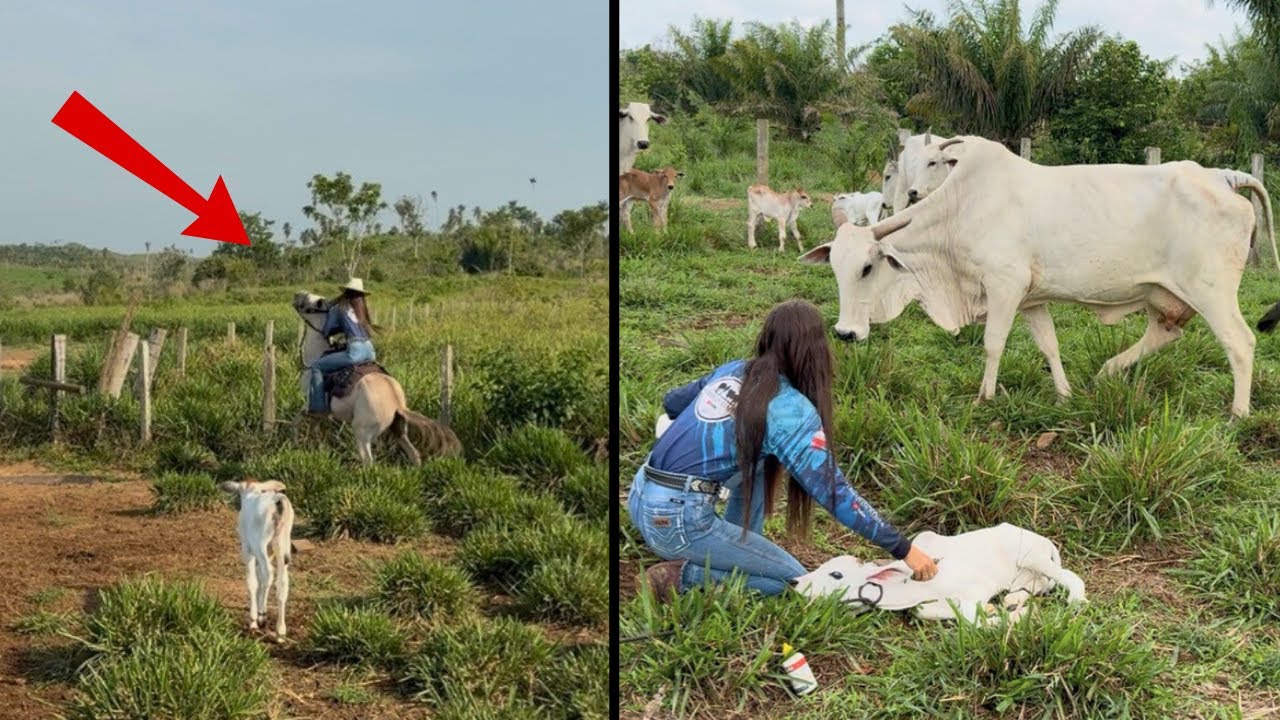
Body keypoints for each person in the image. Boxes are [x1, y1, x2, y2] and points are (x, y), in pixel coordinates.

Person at [629, 299, 937, 602]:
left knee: (760, 462)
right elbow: (835, 494)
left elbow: (672, 403)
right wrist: (904, 549)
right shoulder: (790, 410)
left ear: (766, 338)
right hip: (677, 520)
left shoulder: (733, 370)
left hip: (641, 493)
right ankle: (682, 577)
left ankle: (735, 544)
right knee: (794, 580)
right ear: (816, 351)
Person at [306, 277, 377, 415]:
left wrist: (334, 325)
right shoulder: (362, 309)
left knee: (316, 367)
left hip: (355, 351)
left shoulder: (339, 308)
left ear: (345, 292)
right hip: (370, 351)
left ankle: (317, 409)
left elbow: (326, 330)